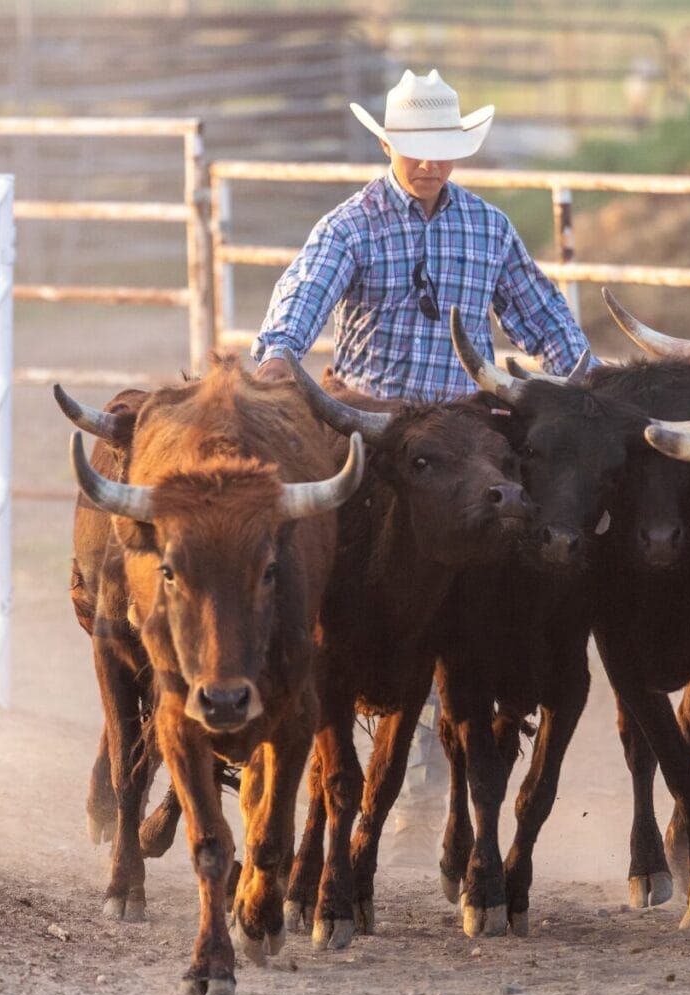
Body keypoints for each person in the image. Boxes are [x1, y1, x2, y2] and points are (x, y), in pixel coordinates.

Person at [252, 68, 598, 866]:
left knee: (498, 587)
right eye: (416, 150)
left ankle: (460, 748)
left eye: (444, 151)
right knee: (327, 584)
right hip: (371, 434)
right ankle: (284, 722)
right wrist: (274, 374)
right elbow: (295, 313)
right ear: (388, 145)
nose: (430, 164)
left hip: (470, 436)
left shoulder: (487, 228)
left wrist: (586, 386)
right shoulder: (350, 227)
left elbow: (545, 317)